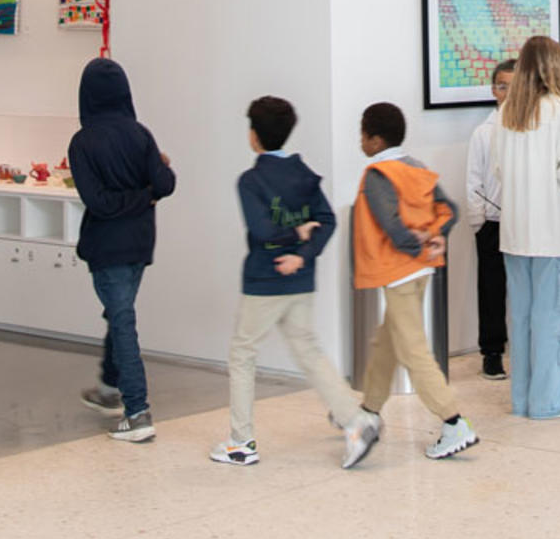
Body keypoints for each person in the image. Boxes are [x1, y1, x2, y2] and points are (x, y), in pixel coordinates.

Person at [212, 96, 377, 469]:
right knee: (308, 350)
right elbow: (327, 221)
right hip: (301, 278)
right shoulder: (304, 174)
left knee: (242, 354)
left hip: (264, 279)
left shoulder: (251, 181)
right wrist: (303, 252)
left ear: (253, 136)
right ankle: (355, 421)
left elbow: (261, 228)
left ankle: (241, 441)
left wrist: (290, 241)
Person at [350, 102, 479, 461]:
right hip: (423, 269)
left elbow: (389, 224)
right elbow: (448, 208)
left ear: (375, 139)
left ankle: (454, 421)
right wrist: (435, 235)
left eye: (362, 135)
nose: (360, 142)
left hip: (399, 271)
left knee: (412, 349)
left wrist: (414, 240)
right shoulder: (417, 168)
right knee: (386, 342)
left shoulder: (377, 175)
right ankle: (368, 412)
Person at [67, 57, 175, 443]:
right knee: (119, 313)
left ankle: (137, 410)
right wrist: (145, 193)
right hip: (141, 243)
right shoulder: (140, 134)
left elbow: (99, 204)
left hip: (106, 245)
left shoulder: (83, 142)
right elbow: (165, 184)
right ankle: (111, 386)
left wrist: (138, 195)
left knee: (123, 320)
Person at [492, 36, 560, 419]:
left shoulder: (507, 112)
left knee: (523, 319)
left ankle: (524, 398)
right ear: (553, 66)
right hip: (555, 231)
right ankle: (551, 401)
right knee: (557, 317)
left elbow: (499, 170)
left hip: (516, 232)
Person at [464, 59, 518, 380]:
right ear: (493, 89)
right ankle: (492, 351)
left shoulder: (531, 127)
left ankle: (523, 347)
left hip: (523, 221)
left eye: (513, 86)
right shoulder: (483, 133)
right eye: (501, 86)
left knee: (524, 288)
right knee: (492, 290)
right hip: (493, 222)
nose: (507, 93)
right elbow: (473, 180)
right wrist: (479, 223)